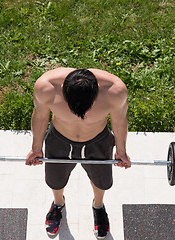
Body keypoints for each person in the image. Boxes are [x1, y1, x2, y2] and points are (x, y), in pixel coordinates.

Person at [25, 68, 131, 239]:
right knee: (55, 179)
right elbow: (40, 116)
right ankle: (58, 204)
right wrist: (36, 148)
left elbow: (119, 120)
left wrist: (121, 151)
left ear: (96, 91)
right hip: (59, 139)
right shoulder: (46, 87)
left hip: (97, 141)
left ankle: (98, 206)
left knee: (101, 181)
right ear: (63, 90)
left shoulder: (115, 91)